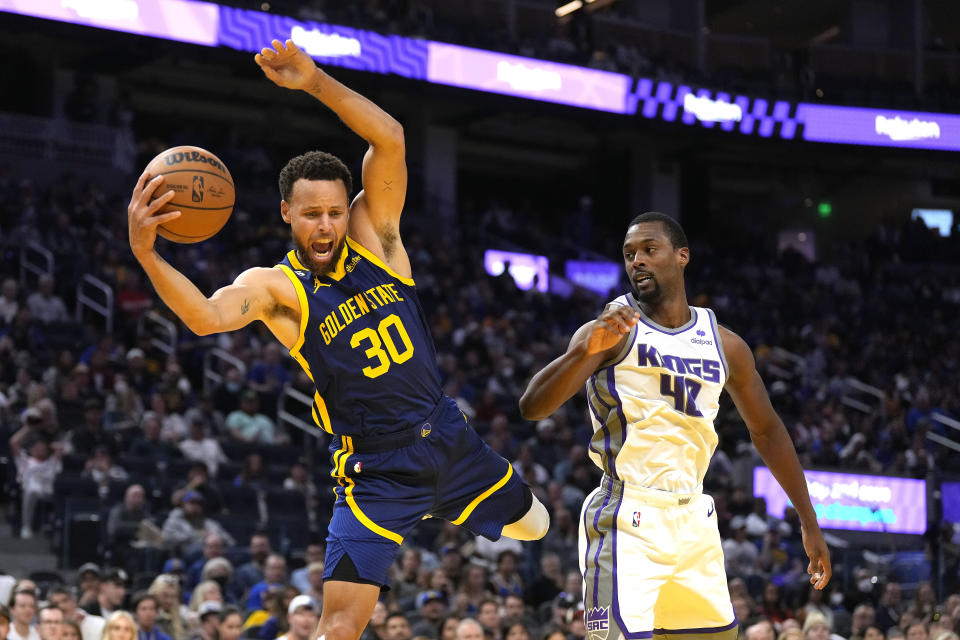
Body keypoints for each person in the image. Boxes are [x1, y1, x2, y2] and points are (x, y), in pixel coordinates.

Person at [126, 38, 548, 640]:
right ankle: (422, 507)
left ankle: (452, 501)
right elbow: (205, 317)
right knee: (338, 629)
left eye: (332, 211)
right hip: (374, 471)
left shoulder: (378, 238)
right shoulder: (277, 288)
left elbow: (391, 138)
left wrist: (314, 80)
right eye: (309, 214)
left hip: (448, 437)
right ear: (286, 215)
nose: (324, 224)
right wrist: (146, 252)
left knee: (538, 524)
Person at [519, 212, 832, 639]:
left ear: (682, 256)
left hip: (694, 520)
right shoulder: (612, 328)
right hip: (626, 516)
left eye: (650, 250)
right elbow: (533, 406)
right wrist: (583, 353)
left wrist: (808, 521)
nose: (638, 261)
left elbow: (768, 431)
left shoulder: (724, 343)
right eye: (630, 254)